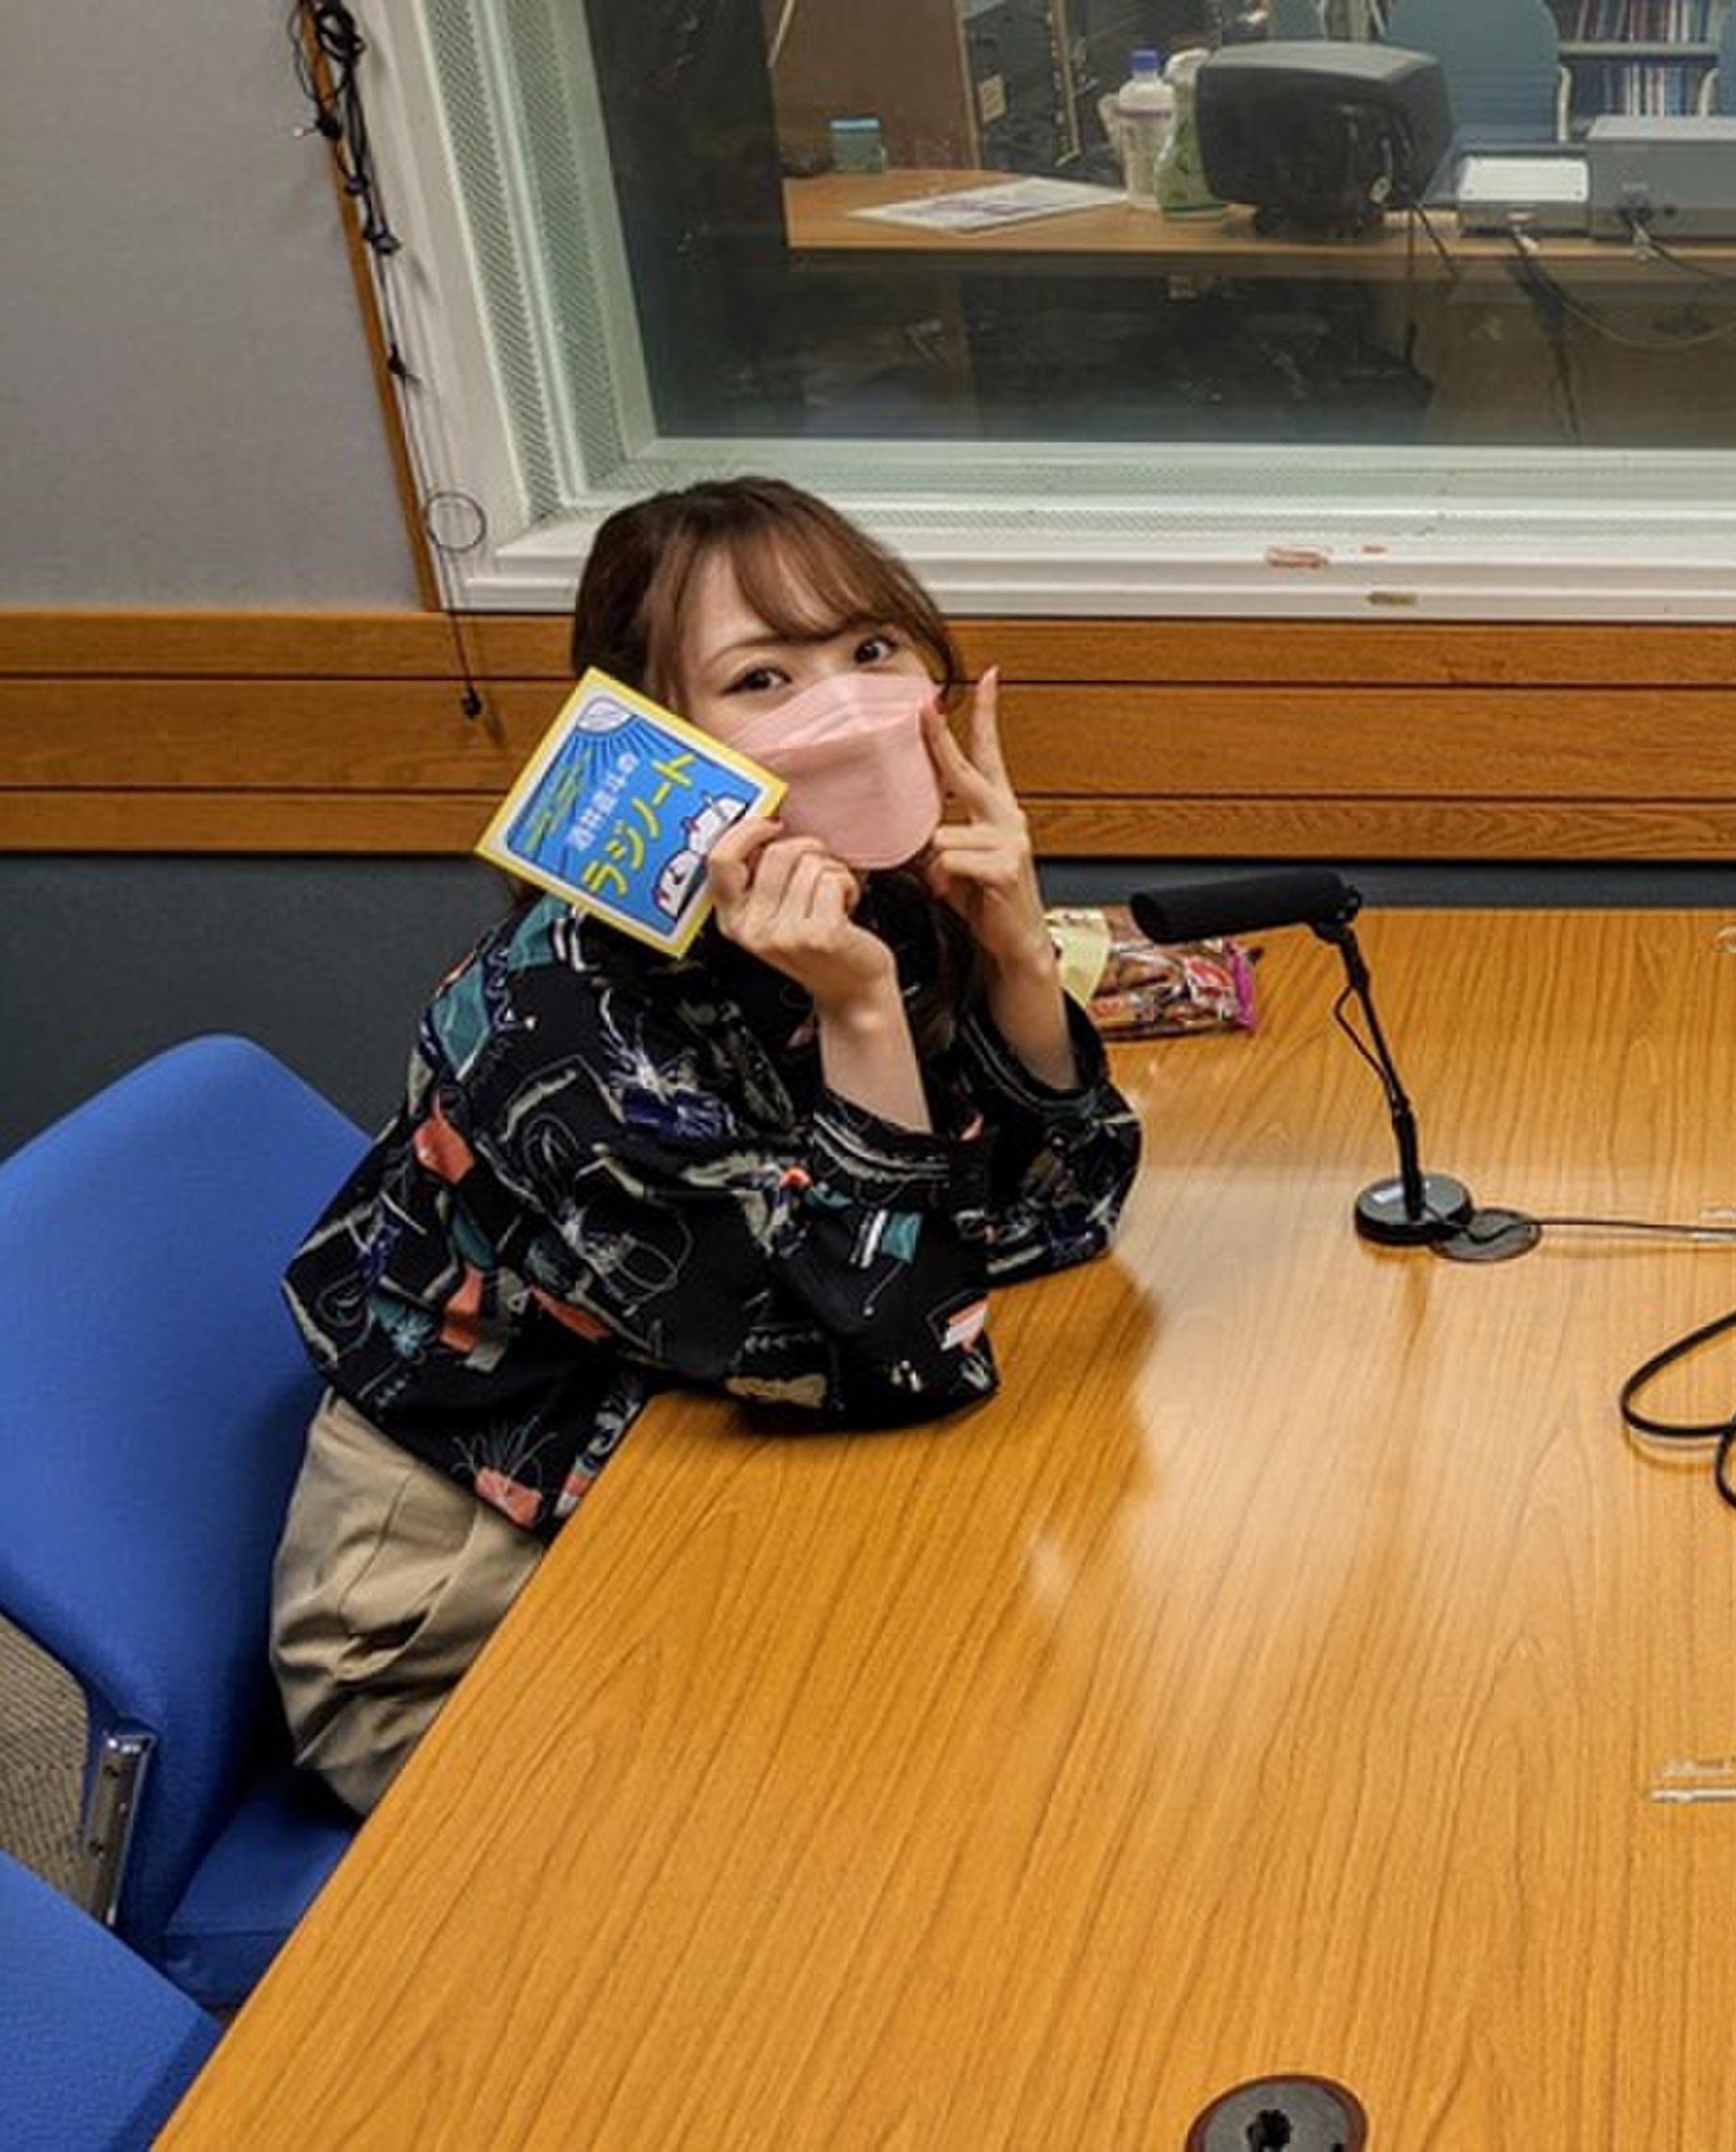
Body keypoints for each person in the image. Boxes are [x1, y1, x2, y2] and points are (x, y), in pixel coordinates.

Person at [272, 477, 1144, 1810]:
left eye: (871, 647)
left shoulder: (864, 902)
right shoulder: (559, 1023)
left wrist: (1016, 947)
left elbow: (1057, 1212)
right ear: (652, 737)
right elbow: (898, 1358)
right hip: (451, 1621)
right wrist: (861, 1014)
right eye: (762, 678)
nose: (846, 705)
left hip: (683, 1452)